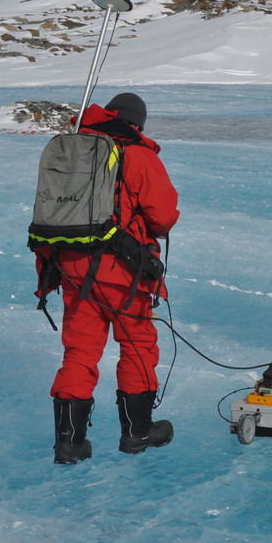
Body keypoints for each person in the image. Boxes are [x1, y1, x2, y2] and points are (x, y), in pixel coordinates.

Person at [37, 92, 180, 464]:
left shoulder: (75, 150)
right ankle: (137, 432)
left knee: (80, 350)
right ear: (137, 123)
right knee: (137, 346)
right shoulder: (138, 155)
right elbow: (163, 217)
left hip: (72, 265)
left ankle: (69, 443)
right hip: (122, 272)